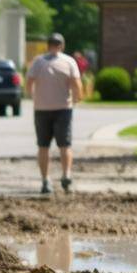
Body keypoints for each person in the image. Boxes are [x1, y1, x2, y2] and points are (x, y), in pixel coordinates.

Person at [26, 33, 83, 194]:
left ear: (48, 45)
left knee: (43, 146)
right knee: (65, 145)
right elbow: (76, 84)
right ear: (62, 45)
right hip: (63, 109)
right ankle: (66, 175)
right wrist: (78, 98)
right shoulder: (69, 61)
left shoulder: (38, 62)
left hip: (42, 109)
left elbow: (29, 83)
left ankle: (46, 180)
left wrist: (33, 96)